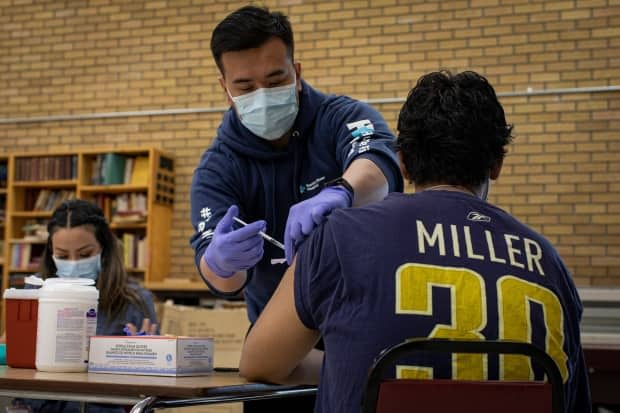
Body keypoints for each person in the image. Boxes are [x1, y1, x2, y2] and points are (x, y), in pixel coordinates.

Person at [239, 70, 592, 413]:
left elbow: (259, 364)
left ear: (403, 162)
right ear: (497, 164)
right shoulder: (549, 263)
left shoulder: (340, 237)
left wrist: (350, 363)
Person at [189, 7, 402, 337]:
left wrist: (343, 191)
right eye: (245, 87)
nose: (262, 96)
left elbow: (379, 161)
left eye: (275, 81)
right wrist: (222, 262)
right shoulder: (218, 168)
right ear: (225, 88)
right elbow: (224, 282)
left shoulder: (342, 116)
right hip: (282, 342)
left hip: (366, 324)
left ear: (297, 73)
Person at [15, 199, 158, 413]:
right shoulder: (33, 292)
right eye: (62, 256)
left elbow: (150, 393)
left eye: (84, 255)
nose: (73, 263)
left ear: (104, 249)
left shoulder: (134, 300)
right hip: (40, 405)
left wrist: (150, 359)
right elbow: (13, 363)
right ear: (51, 254)